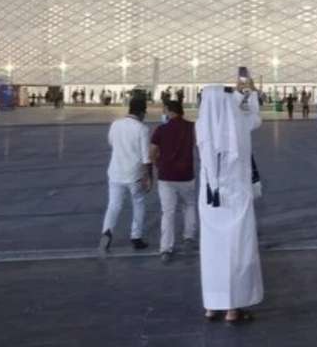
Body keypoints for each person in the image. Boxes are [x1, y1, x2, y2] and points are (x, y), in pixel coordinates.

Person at [196, 82, 264, 323]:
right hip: (236, 199)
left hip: (210, 200)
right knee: (237, 250)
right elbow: (254, 118)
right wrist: (250, 93)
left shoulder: (201, 126)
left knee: (212, 252)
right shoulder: (239, 125)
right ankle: (233, 308)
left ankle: (212, 306)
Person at [99, 98, 151, 252]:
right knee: (138, 203)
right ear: (142, 112)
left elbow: (111, 142)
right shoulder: (142, 129)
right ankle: (136, 237)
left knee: (113, 205)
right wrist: (148, 177)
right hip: (134, 174)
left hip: (115, 172)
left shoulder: (116, 124)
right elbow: (146, 157)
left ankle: (107, 231)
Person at [149, 100, 197, 261]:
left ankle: (166, 249)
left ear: (169, 111)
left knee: (168, 213)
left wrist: (158, 165)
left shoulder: (161, 129)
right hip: (186, 175)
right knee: (189, 205)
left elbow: (152, 153)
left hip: (166, 176)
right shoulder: (192, 127)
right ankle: (189, 237)